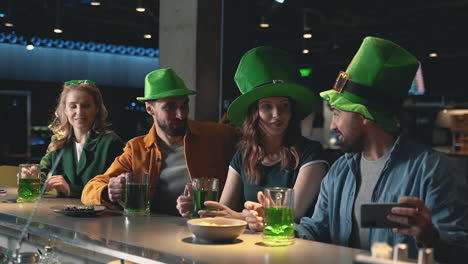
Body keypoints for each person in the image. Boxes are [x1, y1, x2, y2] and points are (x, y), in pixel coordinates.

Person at [246, 37, 468, 261]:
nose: (332, 125)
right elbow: (317, 230)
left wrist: (431, 237)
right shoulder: (340, 169)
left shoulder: (432, 170)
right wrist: (276, 224)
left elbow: (461, 248)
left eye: (337, 113)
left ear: (364, 115)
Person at [176, 47, 328, 221]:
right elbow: (223, 213)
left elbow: (290, 216)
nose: (277, 114)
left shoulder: (312, 154)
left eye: (284, 105)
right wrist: (195, 210)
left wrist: (239, 217)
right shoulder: (243, 155)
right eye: (267, 106)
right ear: (254, 113)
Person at [81, 68, 238, 216]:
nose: (181, 115)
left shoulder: (217, 136)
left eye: (184, 105)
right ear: (150, 109)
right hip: (151, 234)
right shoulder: (137, 149)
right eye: (170, 107)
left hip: (205, 231)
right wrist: (108, 191)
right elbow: (89, 189)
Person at [40, 80, 124, 198]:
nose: (79, 112)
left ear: (97, 109)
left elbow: (116, 191)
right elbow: (44, 175)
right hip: (61, 214)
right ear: (65, 110)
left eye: (86, 106)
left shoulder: (111, 143)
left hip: (101, 215)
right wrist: (32, 177)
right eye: (73, 106)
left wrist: (71, 190)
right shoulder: (58, 142)